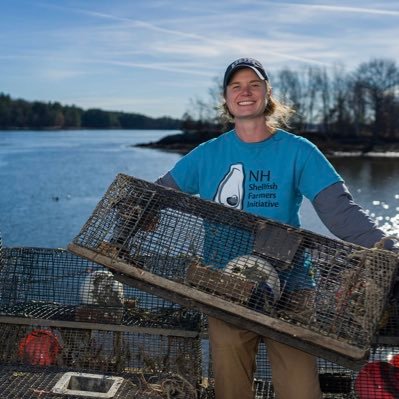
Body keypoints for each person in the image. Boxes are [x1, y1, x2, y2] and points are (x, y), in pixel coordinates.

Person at [155, 57, 396, 399]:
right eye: (235, 86)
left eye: (254, 85)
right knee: (231, 390)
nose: (245, 92)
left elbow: (342, 214)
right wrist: (132, 212)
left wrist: (389, 248)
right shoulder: (206, 155)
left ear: (268, 94)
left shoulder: (299, 152)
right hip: (226, 288)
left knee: (301, 391)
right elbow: (159, 194)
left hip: (292, 288)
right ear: (226, 99)